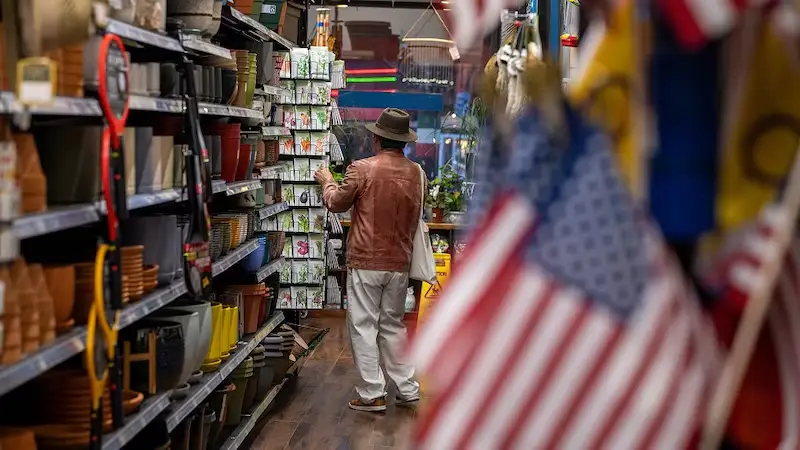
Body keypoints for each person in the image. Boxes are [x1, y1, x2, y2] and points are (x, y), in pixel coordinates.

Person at [314, 108, 423, 412]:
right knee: (393, 325)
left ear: (377, 138)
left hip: (365, 260)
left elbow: (336, 203)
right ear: (403, 141)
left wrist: (326, 180)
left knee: (363, 325)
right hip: (400, 261)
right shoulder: (417, 173)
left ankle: (372, 393)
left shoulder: (361, 169)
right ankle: (407, 388)